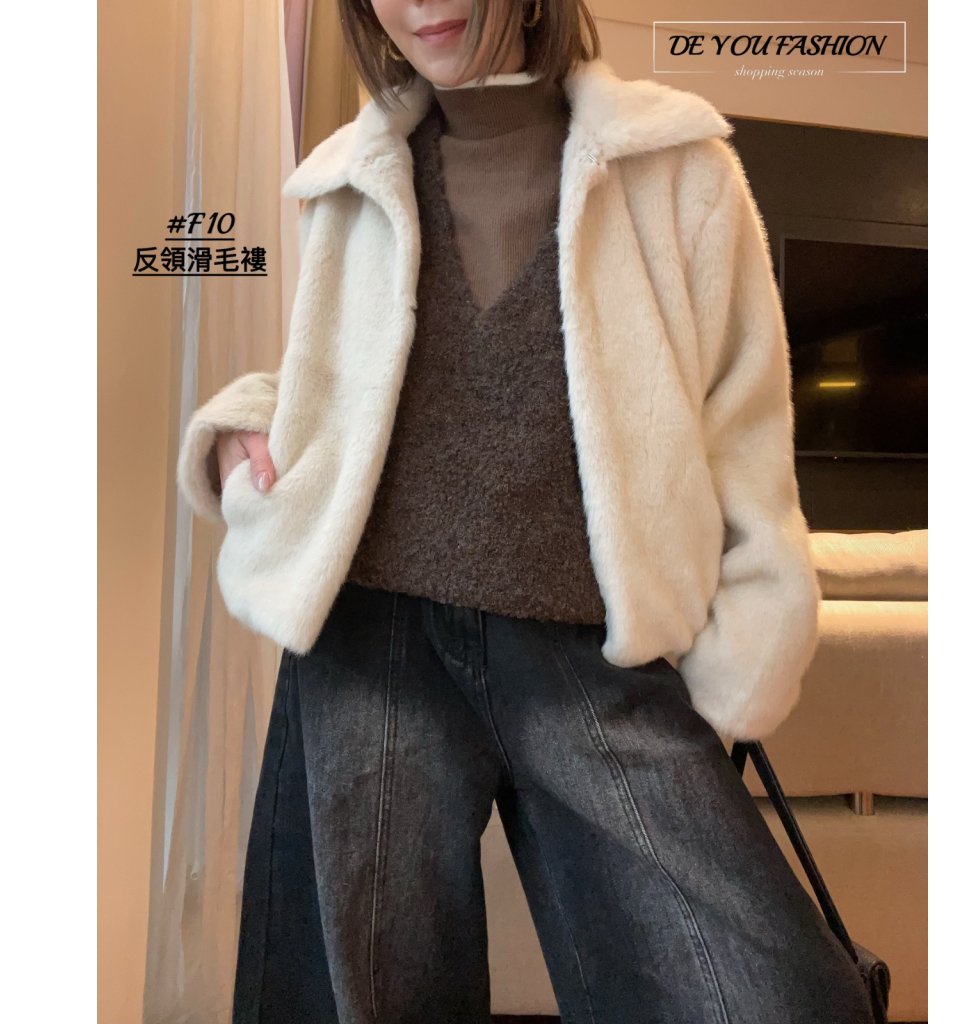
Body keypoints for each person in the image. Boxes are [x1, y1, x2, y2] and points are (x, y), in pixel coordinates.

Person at [176, 2, 876, 1022]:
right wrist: (243, 429)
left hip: (590, 655)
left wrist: (737, 660)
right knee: (364, 998)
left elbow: (745, 433)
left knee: (766, 998)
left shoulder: (675, 167)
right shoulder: (347, 177)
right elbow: (334, 384)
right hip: (371, 640)